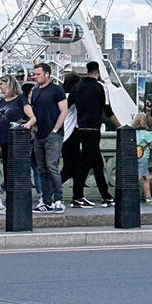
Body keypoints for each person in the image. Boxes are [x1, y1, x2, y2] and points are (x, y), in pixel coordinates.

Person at [69, 62, 117, 208]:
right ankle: (77, 196)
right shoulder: (100, 87)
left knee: (98, 164)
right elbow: (107, 110)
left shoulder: (76, 87)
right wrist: (121, 127)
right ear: (98, 71)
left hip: (80, 128)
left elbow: (68, 106)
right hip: (94, 129)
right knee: (85, 164)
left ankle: (106, 196)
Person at [25, 62, 68, 213]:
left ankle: (59, 199)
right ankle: (47, 200)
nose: (34, 76)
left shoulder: (57, 90)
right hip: (39, 134)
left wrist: (56, 129)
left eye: (37, 74)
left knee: (52, 167)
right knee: (42, 169)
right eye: (34, 74)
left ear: (47, 74)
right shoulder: (35, 92)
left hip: (52, 134)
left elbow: (64, 111)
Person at [0, 75, 25, 210]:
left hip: (17, 140)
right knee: (8, 171)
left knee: (17, 171)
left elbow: (30, 116)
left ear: (9, 84)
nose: (0, 86)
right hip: (4, 139)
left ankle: (14, 202)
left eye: (2, 84)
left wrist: (23, 126)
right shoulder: (1, 102)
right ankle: (9, 200)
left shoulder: (20, 100)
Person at [132, 113, 152, 203]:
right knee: (144, 176)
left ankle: (143, 196)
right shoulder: (147, 134)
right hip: (143, 157)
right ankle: (148, 197)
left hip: (133, 157)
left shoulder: (133, 133)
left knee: (139, 176)